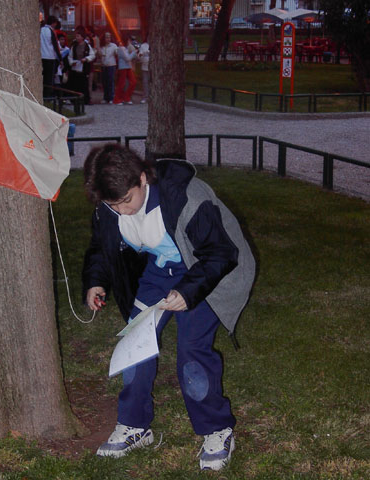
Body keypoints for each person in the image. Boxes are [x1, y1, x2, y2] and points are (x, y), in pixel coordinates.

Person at [82, 144, 256, 471]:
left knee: (191, 351)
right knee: (135, 341)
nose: (122, 211)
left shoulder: (186, 196)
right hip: (162, 270)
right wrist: (96, 281)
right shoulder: (110, 204)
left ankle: (217, 429)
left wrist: (188, 292)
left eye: (126, 201)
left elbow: (221, 254)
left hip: (206, 270)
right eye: (112, 205)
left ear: (143, 178)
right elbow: (100, 246)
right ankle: (134, 425)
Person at [67, 27, 95, 105]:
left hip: (83, 68)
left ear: (82, 37)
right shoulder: (74, 45)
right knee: (75, 84)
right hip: (75, 67)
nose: (77, 38)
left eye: (78, 36)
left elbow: (92, 55)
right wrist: (72, 62)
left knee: (84, 85)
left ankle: (85, 99)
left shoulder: (87, 46)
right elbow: (70, 56)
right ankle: (74, 99)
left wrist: (86, 59)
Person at [40, 15, 63, 97]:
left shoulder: (41, 30)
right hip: (50, 57)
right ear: (53, 23)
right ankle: (48, 95)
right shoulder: (51, 31)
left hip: (42, 56)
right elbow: (56, 45)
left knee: (43, 76)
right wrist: (60, 59)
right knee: (49, 78)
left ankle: (43, 93)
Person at [113, 35, 137, 105]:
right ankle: (117, 99)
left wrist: (136, 53)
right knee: (121, 84)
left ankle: (126, 97)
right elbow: (127, 58)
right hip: (123, 67)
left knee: (133, 82)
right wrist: (134, 52)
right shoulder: (121, 49)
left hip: (128, 67)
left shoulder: (125, 48)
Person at [99, 32, 118, 104]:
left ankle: (111, 97)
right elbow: (99, 54)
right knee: (104, 82)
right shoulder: (102, 46)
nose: (108, 39)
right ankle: (105, 97)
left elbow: (116, 52)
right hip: (104, 65)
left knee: (110, 81)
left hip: (111, 65)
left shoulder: (113, 46)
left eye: (109, 37)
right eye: (106, 37)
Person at [138, 38, 149, 104]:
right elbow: (139, 56)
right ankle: (145, 97)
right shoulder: (143, 46)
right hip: (145, 67)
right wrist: (142, 54)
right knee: (145, 83)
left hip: (154, 67)